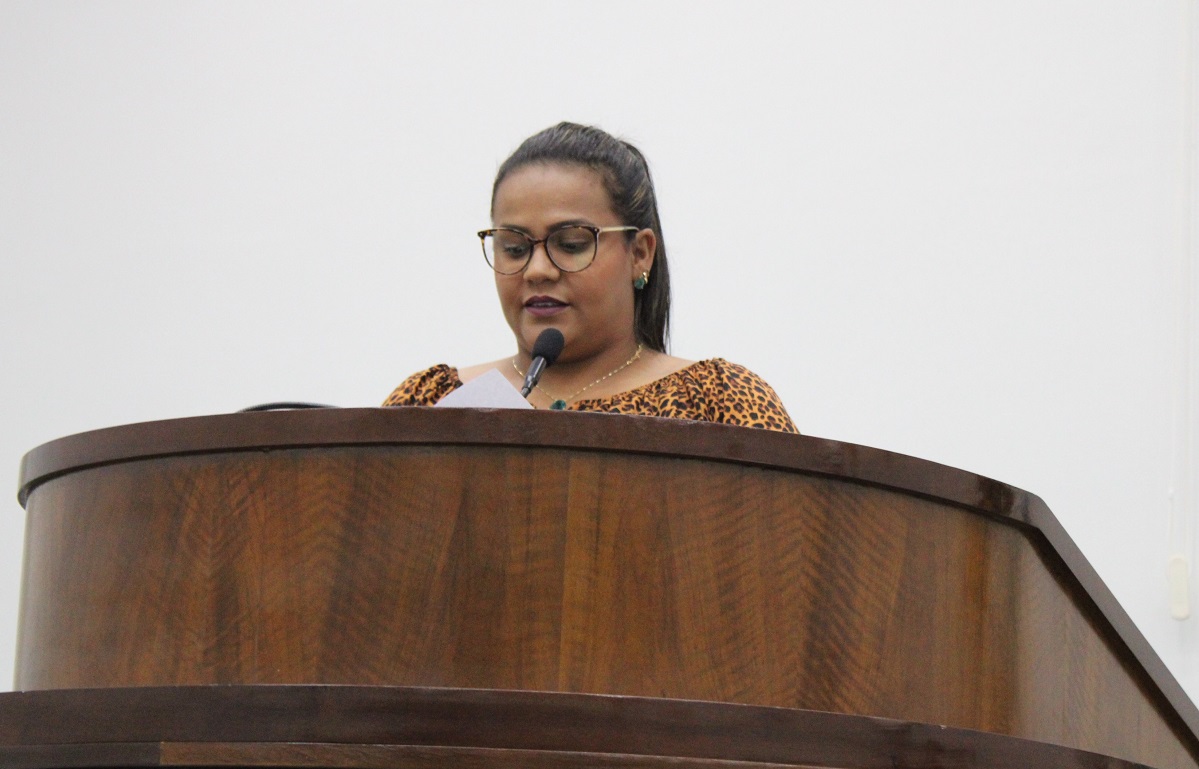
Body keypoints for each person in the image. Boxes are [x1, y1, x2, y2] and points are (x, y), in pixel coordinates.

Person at [384, 122, 797, 434]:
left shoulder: (717, 404)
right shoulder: (430, 402)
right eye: (514, 248)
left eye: (571, 244)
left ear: (639, 254)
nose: (537, 270)